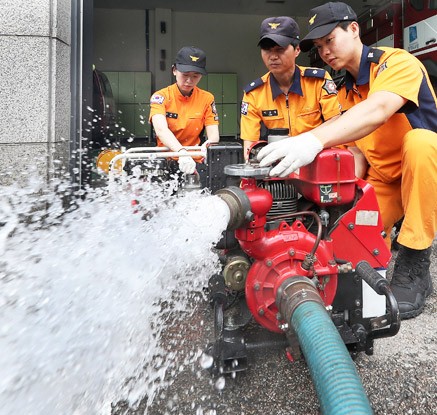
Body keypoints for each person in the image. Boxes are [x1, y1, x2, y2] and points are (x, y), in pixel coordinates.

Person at [257, 2, 437, 319]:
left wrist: (312, 139)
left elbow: (379, 109)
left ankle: (415, 258)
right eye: (319, 46)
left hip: (425, 175)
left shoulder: (396, 62)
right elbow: (355, 153)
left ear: (354, 29)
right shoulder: (346, 93)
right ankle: (381, 236)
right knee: (343, 245)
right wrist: (332, 207)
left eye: (330, 39)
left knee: (421, 142)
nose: (325, 51)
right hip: (386, 182)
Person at [240, 16, 342, 159]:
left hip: (317, 159)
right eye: (266, 49)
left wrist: (302, 144)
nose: (273, 56)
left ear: (297, 50)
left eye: (280, 49)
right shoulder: (254, 93)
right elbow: (250, 144)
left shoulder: (318, 81)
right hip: (276, 164)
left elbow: (335, 123)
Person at [149, 46, 220, 175]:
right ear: (174, 70)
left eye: (195, 76)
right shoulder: (160, 97)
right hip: (165, 160)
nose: (189, 81)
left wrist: (208, 145)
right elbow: (161, 130)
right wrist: (181, 153)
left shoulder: (207, 98)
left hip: (195, 161)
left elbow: (213, 134)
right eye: (185, 75)